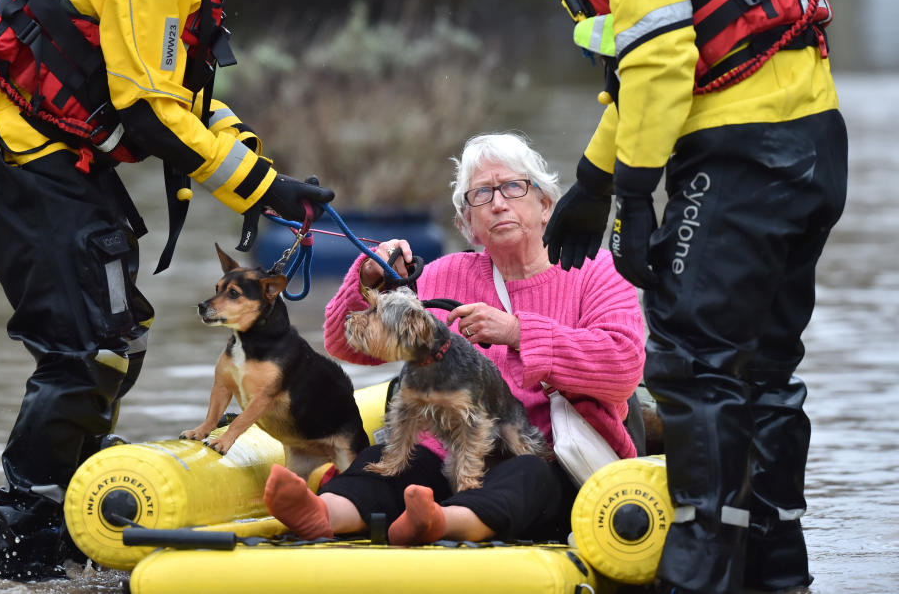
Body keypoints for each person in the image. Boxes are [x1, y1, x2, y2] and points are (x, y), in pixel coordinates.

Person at [0, 0, 333, 581]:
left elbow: (180, 94)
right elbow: (147, 116)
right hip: (19, 160)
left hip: (58, 160)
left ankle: (79, 517)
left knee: (119, 340)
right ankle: (19, 549)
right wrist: (262, 191)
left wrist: (270, 176)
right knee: (86, 352)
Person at [544, 0, 848, 593]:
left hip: (739, 154)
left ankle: (699, 576)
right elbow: (663, 62)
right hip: (812, 143)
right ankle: (778, 572)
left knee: (696, 366)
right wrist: (594, 179)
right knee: (764, 369)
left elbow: (660, 60)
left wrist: (630, 193)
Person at [261, 132, 645, 546]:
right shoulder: (444, 274)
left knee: (526, 474)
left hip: (550, 457)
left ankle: (440, 523)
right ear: (468, 223)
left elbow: (623, 368)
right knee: (393, 461)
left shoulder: (596, 270)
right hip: (449, 458)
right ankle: (323, 513)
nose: (498, 204)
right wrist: (367, 278)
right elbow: (344, 345)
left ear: (546, 205)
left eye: (514, 187)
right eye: (481, 195)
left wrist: (517, 332)